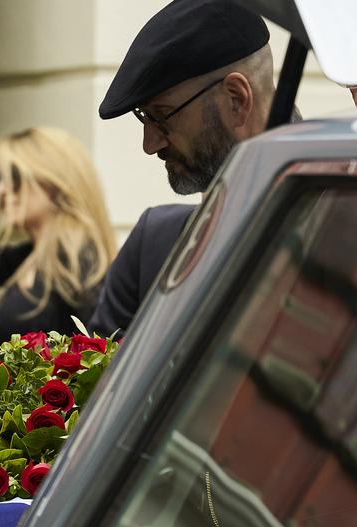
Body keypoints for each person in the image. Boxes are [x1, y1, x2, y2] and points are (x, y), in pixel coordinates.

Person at [88, 0, 273, 337]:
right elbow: (98, 387)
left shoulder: (354, 227)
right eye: (144, 118)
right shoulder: (154, 248)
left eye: (161, 115)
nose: (150, 144)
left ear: (236, 99)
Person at [0, 127, 116, 347]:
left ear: (54, 182)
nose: (0, 190)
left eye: (14, 178)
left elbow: (101, 358)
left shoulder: (78, 262)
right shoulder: (34, 256)